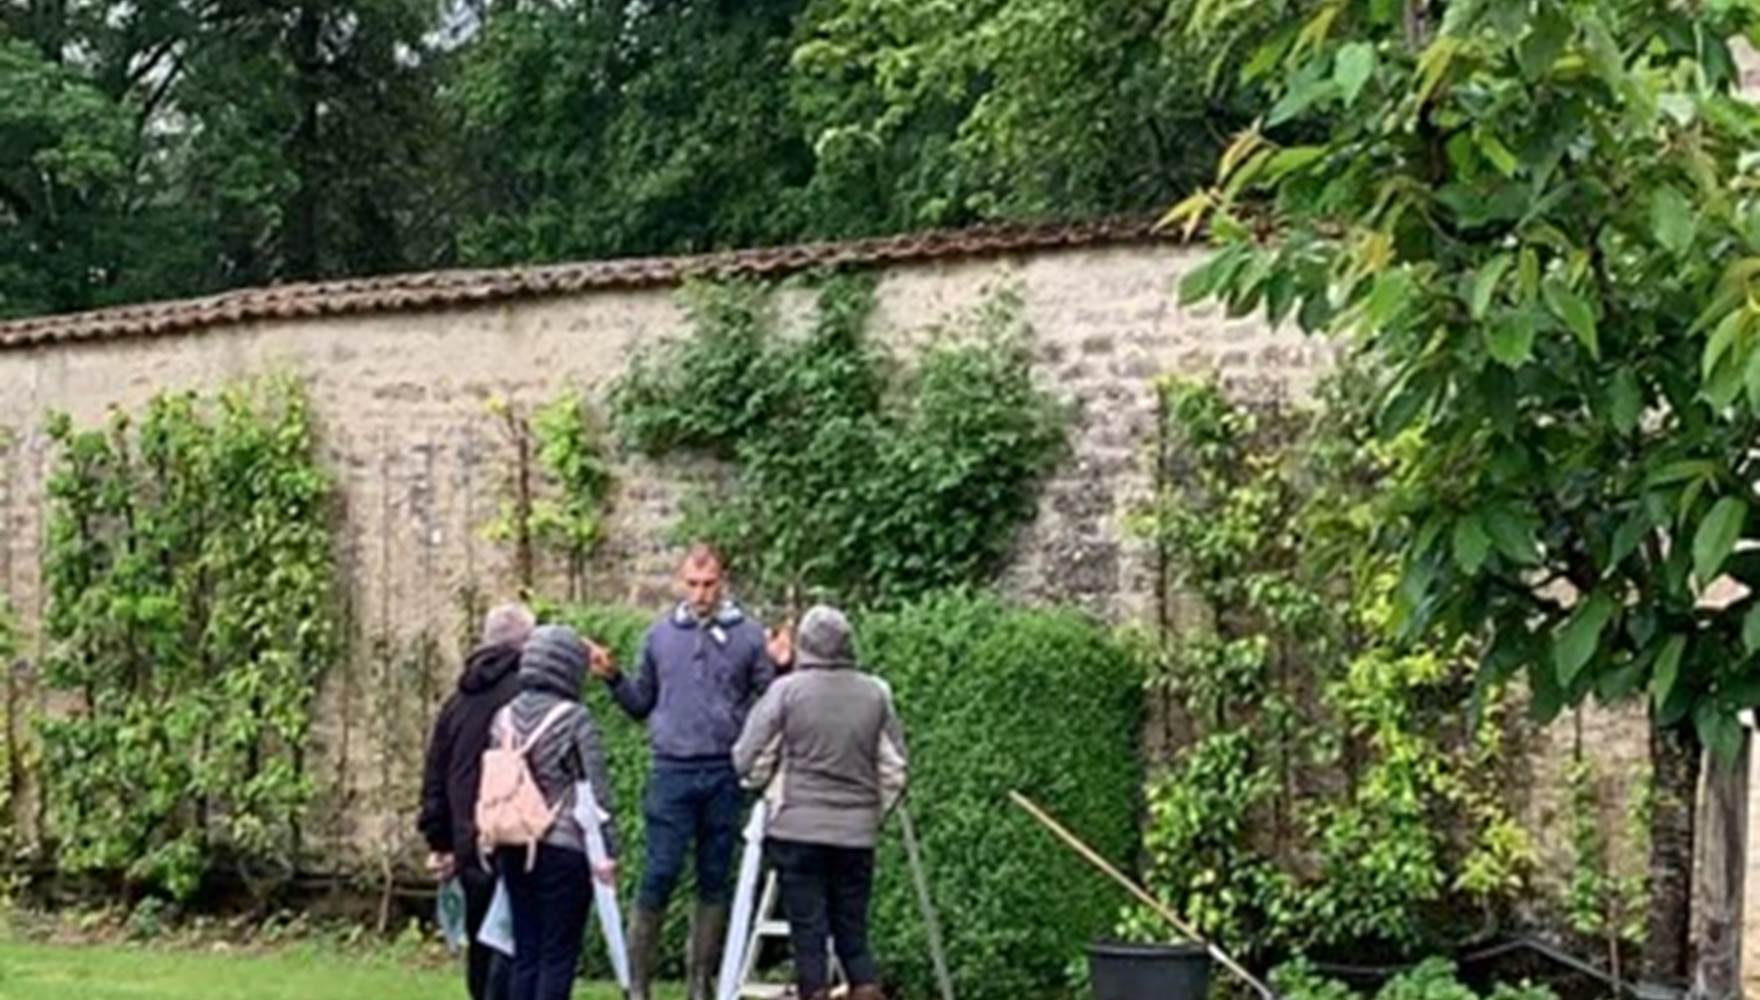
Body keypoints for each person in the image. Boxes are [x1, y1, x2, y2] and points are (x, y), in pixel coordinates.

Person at [589, 544, 792, 1000]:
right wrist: (613, 677)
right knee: (659, 872)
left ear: (723, 583)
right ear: (681, 584)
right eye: (694, 584)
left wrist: (783, 667)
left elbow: (771, 703)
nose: (701, 593)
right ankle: (638, 984)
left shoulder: (748, 637)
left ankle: (700, 982)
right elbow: (641, 704)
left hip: (725, 770)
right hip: (671, 771)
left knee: (715, 876)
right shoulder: (659, 636)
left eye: (710, 584)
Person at [733, 604, 907, 1000]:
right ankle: (866, 990)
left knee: (808, 934)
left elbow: (749, 757)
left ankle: (813, 992)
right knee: (853, 932)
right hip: (856, 834)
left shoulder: (787, 691)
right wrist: (873, 814)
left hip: (797, 829)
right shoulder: (875, 693)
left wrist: (766, 790)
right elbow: (895, 768)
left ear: (805, 646)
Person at [497, 623, 621, 1000]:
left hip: (514, 839)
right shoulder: (574, 718)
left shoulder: (504, 716)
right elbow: (595, 792)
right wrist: (609, 851)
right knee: (558, 954)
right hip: (564, 845)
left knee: (526, 950)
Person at [419, 602, 536, 1000]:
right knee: (516, 940)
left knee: (480, 939)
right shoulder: (525, 699)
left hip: (468, 838)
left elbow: (436, 773)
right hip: (516, 833)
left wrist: (440, 840)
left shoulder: (457, 702)